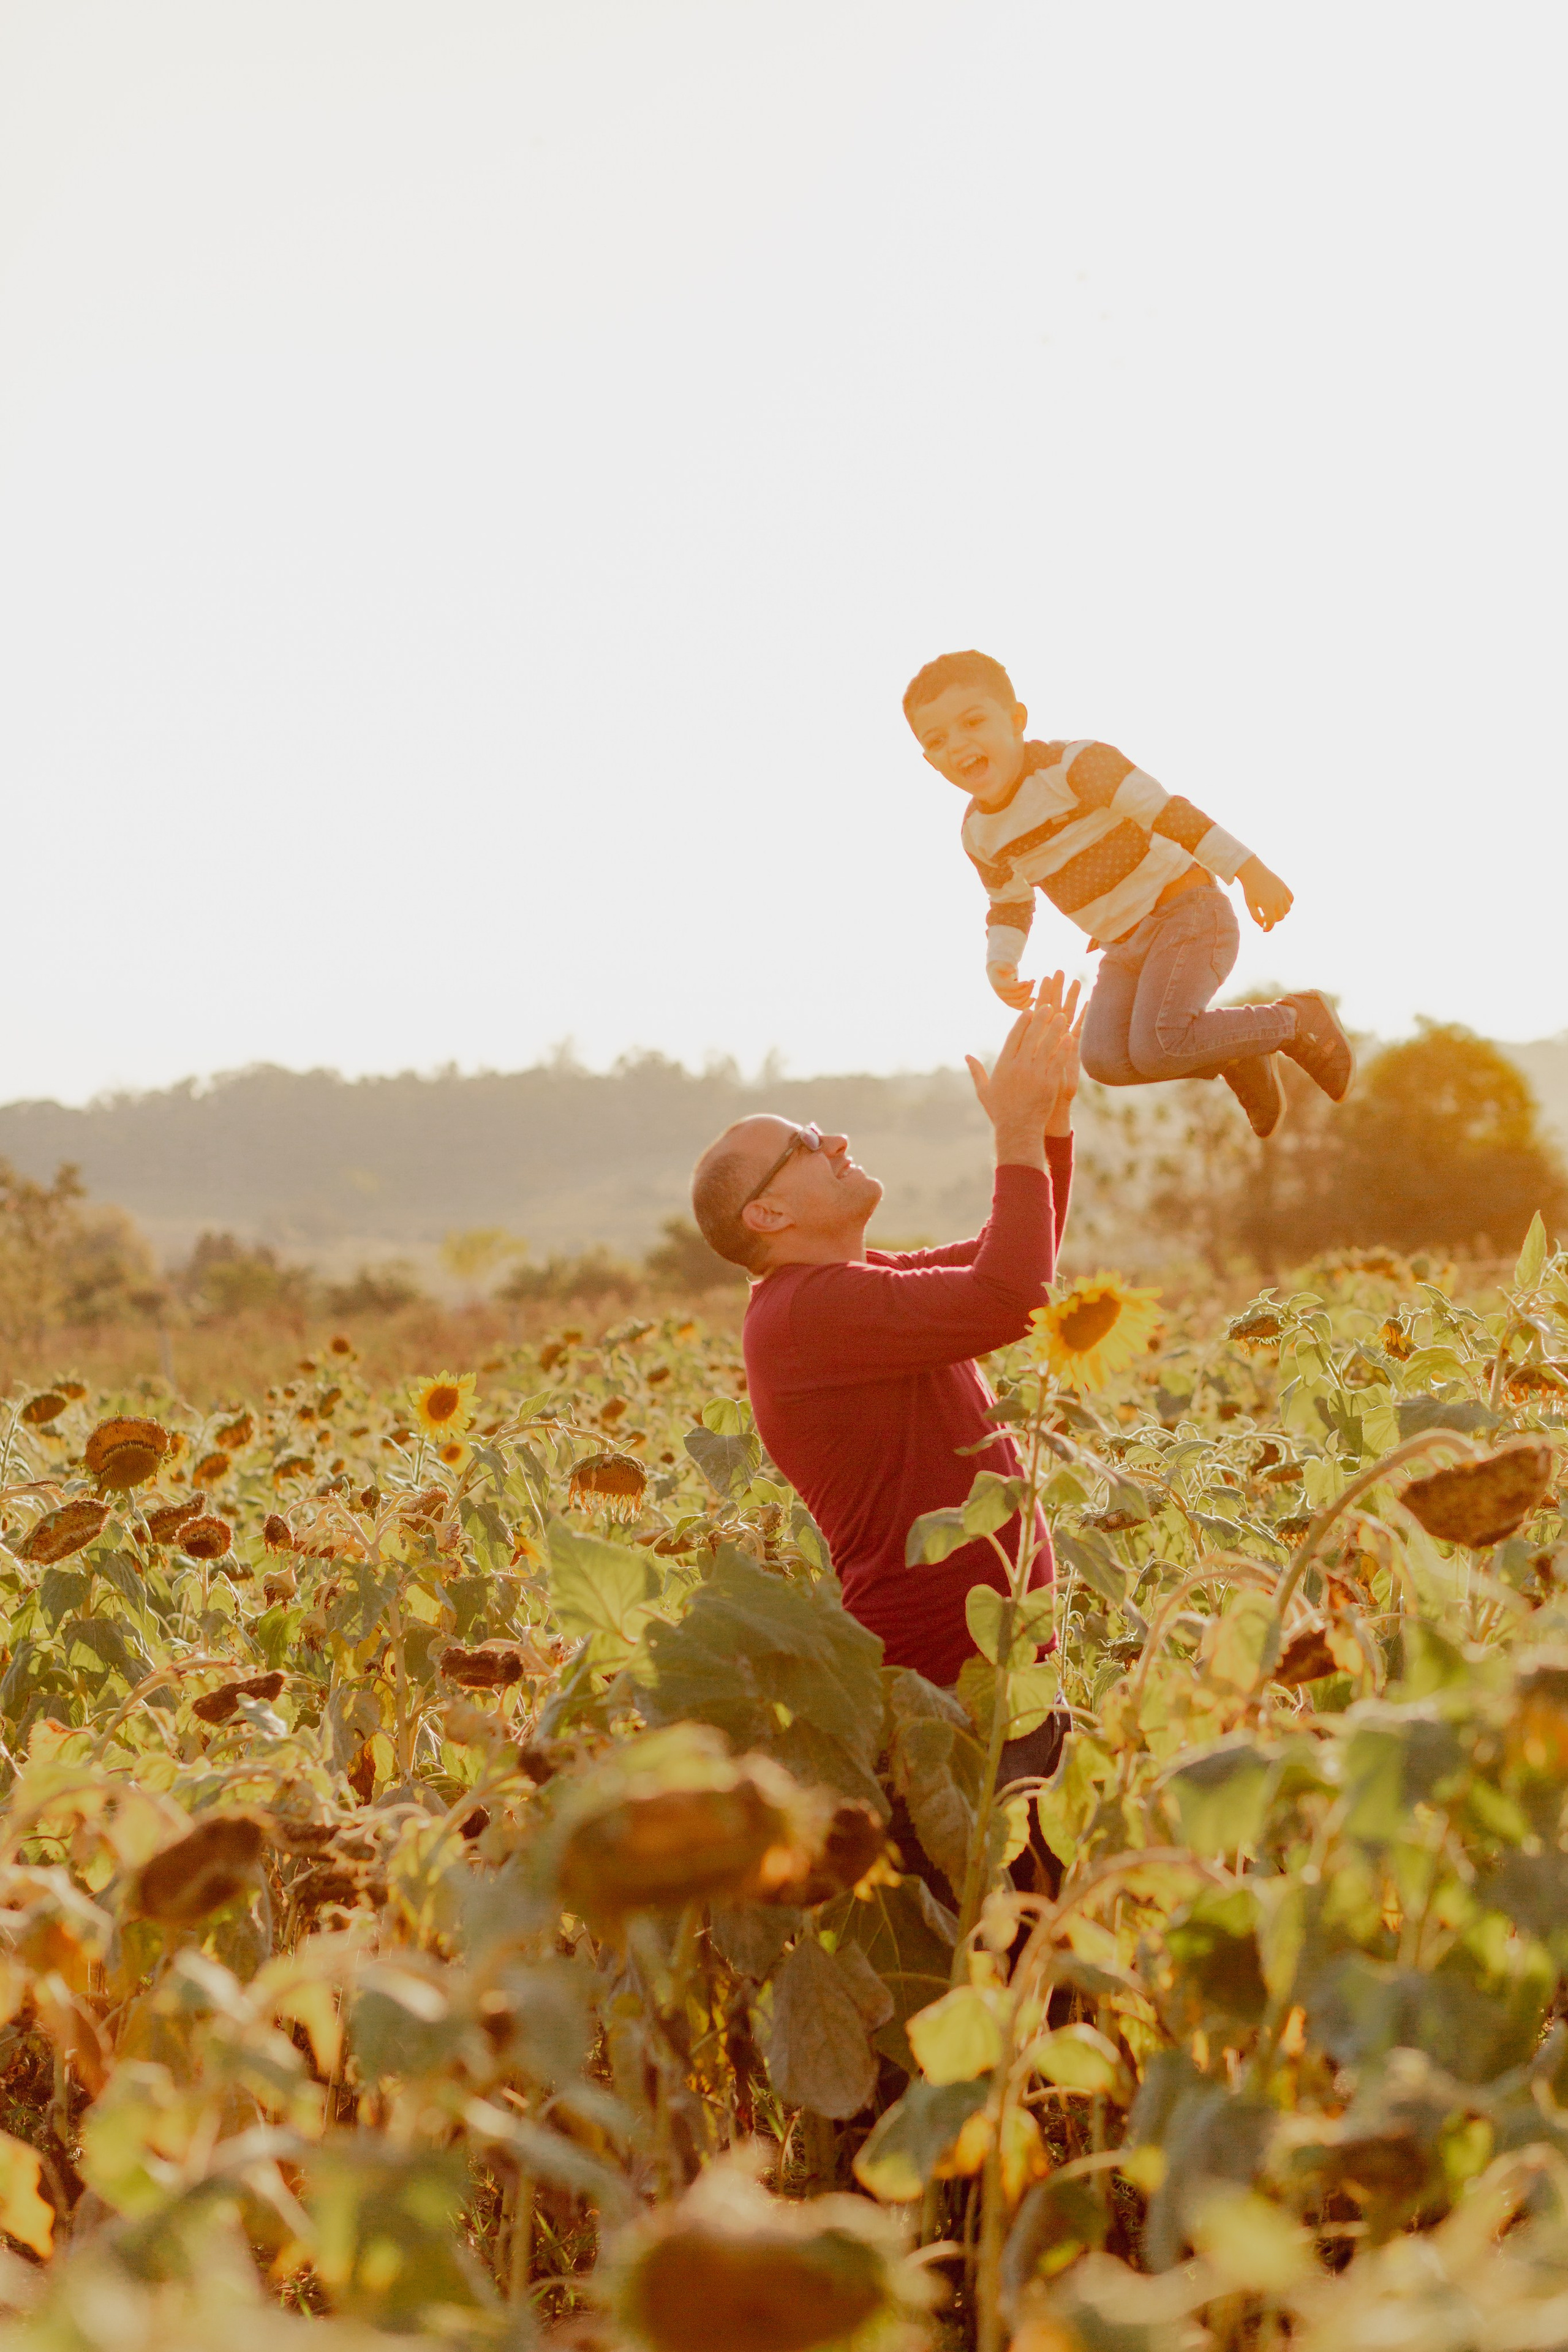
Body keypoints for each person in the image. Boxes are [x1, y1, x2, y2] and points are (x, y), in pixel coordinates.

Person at [689, 983, 1079, 1803]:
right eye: (802, 1142)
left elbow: (1009, 1259)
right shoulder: (808, 1315)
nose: (832, 1138)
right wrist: (1014, 1131)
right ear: (766, 1213)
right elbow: (1014, 1295)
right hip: (950, 1705)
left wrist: (1049, 1125)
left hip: (986, 1687)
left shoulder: (838, 1292)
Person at [903, 647, 1353, 1140]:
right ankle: (1236, 1051)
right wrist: (1000, 962)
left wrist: (1247, 869)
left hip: (1187, 913)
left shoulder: (1078, 766)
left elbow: (1169, 813)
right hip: (1123, 947)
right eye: (938, 739)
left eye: (972, 722)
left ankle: (1294, 1019)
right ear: (929, 760)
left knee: (1161, 1045)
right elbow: (1009, 902)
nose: (959, 744)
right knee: (1106, 1061)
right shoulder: (979, 833)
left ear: (1016, 720)